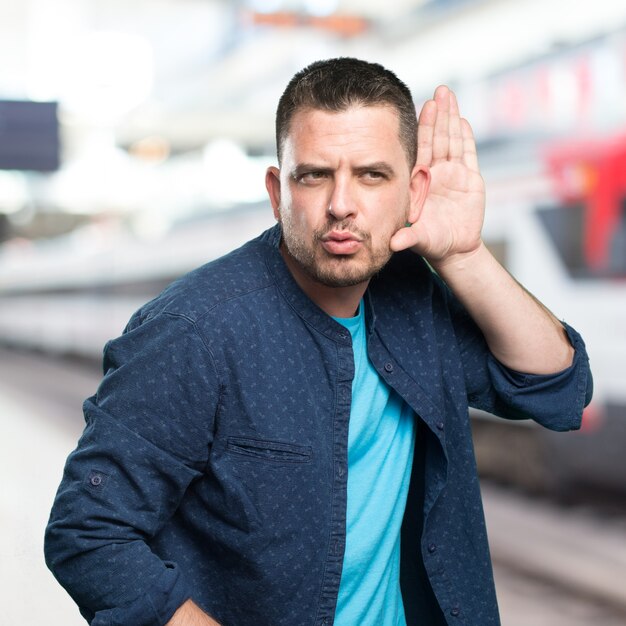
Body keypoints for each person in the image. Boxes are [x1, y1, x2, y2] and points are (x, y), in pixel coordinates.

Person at [45, 58, 592, 626]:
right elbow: (87, 533)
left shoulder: (417, 303)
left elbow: (556, 390)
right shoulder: (193, 332)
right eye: (315, 175)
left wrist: (463, 253)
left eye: (372, 175)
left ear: (414, 190)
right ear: (278, 191)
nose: (341, 205)